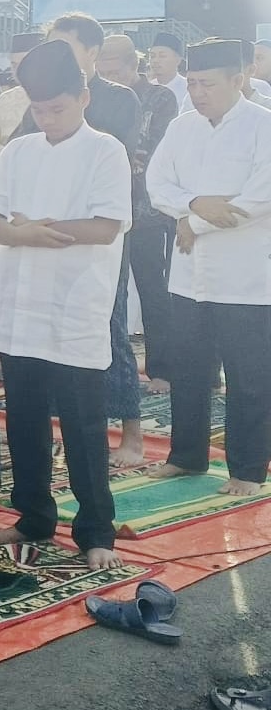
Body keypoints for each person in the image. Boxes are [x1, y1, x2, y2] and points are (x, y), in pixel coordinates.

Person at [0, 40, 130, 571]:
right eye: (39, 110)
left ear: (83, 97)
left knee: (84, 424)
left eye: (57, 108)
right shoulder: (19, 151)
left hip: (74, 303)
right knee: (23, 420)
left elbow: (106, 226)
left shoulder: (105, 150)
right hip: (21, 304)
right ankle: (34, 515)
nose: (48, 119)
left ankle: (96, 530)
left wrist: (35, 230)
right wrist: (21, 233)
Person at [14, 14, 144, 465]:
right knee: (44, 345)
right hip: (38, 249)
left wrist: (42, 222)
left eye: (65, 47)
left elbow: (113, 169)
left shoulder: (118, 101)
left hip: (96, 239)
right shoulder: (33, 118)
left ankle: (130, 431)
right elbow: (17, 163)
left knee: (109, 329)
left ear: (91, 53)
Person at [146, 39, 271, 497]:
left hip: (246, 277)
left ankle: (248, 470)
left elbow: (258, 199)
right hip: (188, 273)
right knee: (188, 370)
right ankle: (186, 456)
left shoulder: (263, 126)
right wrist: (195, 205)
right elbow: (157, 184)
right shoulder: (182, 127)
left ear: (238, 79)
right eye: (194, 83)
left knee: (248, 377)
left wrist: (191, 221)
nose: (198, 93)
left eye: (208, 84)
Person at [96, 34, 179, 393]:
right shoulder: (98, 96)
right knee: (105, 289)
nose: (110, 78)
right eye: (104, 71)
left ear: (134, 64)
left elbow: (155, 151)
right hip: (103, 206)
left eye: (115, 71)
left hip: (145, 210)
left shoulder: (159, 97)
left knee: (151, 288)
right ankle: (107, 364)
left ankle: (163, 368)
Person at [0, 32, 43, 146]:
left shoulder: (57, 98)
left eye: (25, 64)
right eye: (14, 65)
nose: (19, 71)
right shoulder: (4, 100)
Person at [146, 33, 188, 109]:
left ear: (178, 60)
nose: (155, 60)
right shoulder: (147, 88)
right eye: (152, 56)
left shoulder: (188, 88)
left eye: (162, 56)